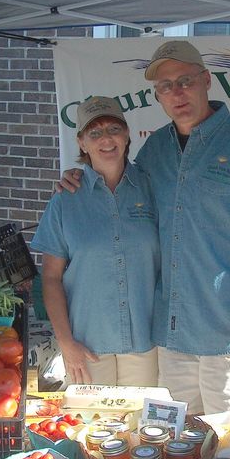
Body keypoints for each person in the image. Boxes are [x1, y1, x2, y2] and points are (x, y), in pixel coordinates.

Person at [60, 41, 230, 414]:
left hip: (229, 336)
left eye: (185, 81)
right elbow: (115, 182)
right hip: (171, 338)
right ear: (158, 96)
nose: (177, 93)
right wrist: (79, 175)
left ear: (206, 81)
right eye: (166, 86)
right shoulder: (155, 152)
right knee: (179, 445)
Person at [32, 96, 160, 387]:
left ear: (127, 135)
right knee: (91, 428)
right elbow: (51, 278)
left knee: (141, 430)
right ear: (82, 143)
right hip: (87, 348)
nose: (106, 139)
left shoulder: (153, 187)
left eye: (114, 129)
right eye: (95, 132)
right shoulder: (66, 199)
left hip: (147, 344)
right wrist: (66, 343)